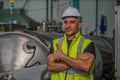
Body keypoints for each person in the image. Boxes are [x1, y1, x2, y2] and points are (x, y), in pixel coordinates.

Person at [47, 6, 95, 80]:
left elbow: (86, 67)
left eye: (72, 22)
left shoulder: (88, 44)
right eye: (66, 22)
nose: (68, 26)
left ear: (79, 24)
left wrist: (62, 57)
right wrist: (77, 61)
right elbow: (50, 67)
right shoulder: (56, 43)